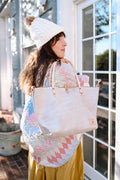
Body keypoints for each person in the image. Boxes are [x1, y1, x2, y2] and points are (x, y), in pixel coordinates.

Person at [19, 16, 89, 180]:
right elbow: (82, 92)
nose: (65, 43)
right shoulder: (62, 67)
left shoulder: (35, 67)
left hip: (38, 141)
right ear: (49, 43)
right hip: (61, 144)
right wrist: (79, 75)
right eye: (60, 39)